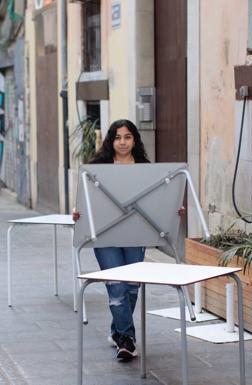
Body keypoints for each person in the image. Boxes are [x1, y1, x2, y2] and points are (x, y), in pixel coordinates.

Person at [72, 119, 149, 361]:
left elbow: (156, 199)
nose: (123, 142)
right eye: (117, 137)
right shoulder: (98, 167)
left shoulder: (146, 168)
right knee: (116, 285)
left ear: (134, 139)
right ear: (111, 140)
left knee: (132, 286)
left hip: (136, 234)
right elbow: (85, 199)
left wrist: (171, 210)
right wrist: (78, 212)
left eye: (127, 137)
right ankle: (126, 339)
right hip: (105, 234)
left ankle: (117, 332)